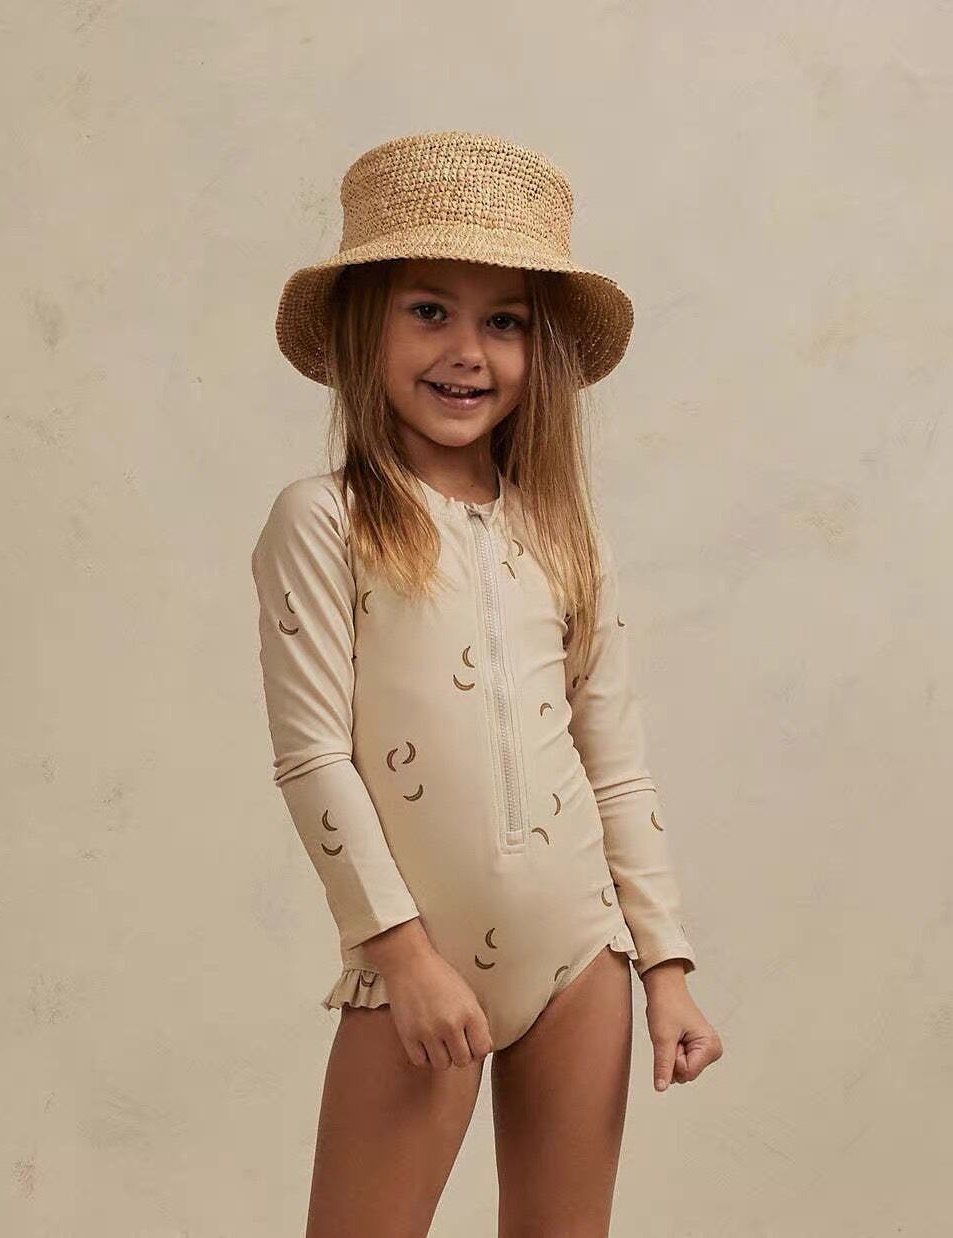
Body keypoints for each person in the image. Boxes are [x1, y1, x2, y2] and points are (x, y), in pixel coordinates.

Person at [251, 130, 723, 1238]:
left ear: (536, 346)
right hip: (421, 958)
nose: (467, 352)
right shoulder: (324, 522)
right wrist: (403, 958)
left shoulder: (565, 534)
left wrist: (664, 963)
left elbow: (614, 762)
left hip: (582, 958)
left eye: (502, 321)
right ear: (364, 324)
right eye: (429, 310)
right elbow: (313, 758)